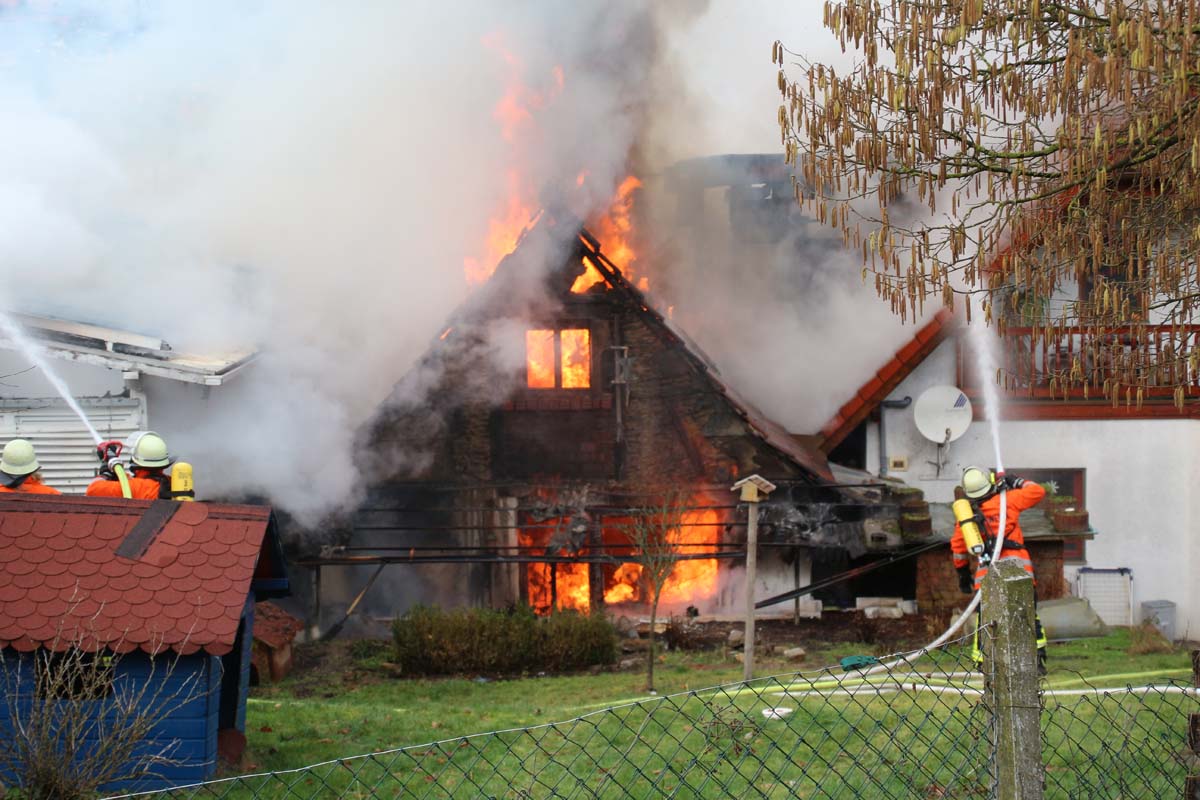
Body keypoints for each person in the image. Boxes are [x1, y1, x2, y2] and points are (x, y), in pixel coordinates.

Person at [951, 466, 1048, 673]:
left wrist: (963, 575)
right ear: (990, 484)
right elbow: (1037, 491)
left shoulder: (967, 517)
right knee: (1027, 614)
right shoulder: (1008, 501)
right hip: (1019, 570)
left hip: (987, 576)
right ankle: (1037, 659)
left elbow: (958, 549)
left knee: (985, 620)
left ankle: (981, 662)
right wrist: (1016, 481)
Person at [86, 431, 172, 500]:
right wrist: (117, 474)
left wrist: (106, 473)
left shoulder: (136, 488)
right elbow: (131, 482)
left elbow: (92, 490)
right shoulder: (169, 482)